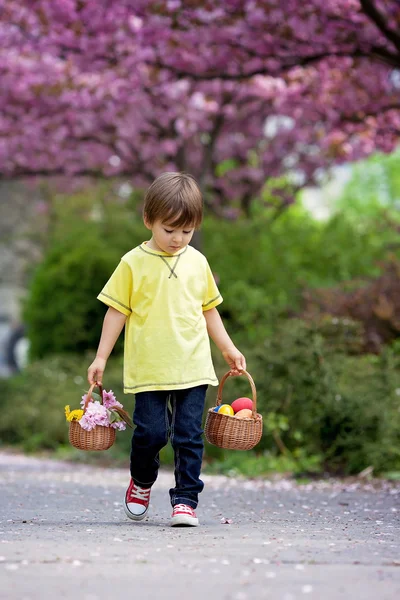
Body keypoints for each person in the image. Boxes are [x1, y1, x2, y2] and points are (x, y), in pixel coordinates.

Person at [87, 172, 246, 527]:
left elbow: (209, 310)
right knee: (152, 433)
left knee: (189, 436)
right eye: (169, 229)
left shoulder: (197, 262)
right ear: (149, 221)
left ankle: (186, 500)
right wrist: (101, 356)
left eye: (186, 231)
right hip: (150, 368)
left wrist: (228, 349)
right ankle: (142, 481)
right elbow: (116, 311)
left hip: (192, 365)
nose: (177, 239)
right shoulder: (132, 262)